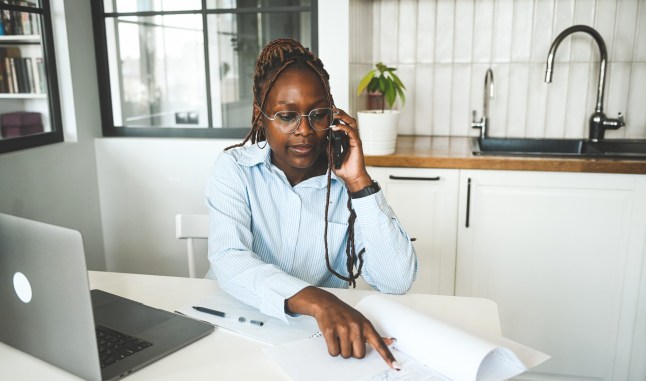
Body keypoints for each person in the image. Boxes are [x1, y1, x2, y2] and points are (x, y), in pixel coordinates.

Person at [205, 38, 417, 370]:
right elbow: (229, 259)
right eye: (287, 116)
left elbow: (396, 280)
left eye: (317, 114)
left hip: (311, 340)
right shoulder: (234, 169)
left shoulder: (347, 183)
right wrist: (319, 300)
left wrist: (359, 181)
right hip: (236, 321)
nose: (304, 130)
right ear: (261, 118)